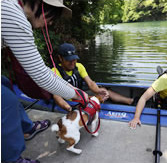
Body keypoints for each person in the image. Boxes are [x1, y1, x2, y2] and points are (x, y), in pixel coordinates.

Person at [1, 1, 88, 163]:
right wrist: (76, 95)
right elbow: (40, 75)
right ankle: (12, 159)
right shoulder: (13, 15)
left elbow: (42, 70)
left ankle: (26, 128)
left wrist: (72, 90)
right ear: (42, 6)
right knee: (6, 101)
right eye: (53, 16)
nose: (51, 23)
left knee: (5, 84)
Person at [51, 43, 134, 111]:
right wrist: (68, 108)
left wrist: (98, 90)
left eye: (74, 59)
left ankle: (130, 101)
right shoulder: (54, 71)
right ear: (60, 58)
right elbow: (56, 96)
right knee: (97, 97)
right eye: (69, 60)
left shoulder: (79, 66)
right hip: (71, 100)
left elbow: (90, 83)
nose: (73, 62)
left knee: (104, 91)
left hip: (82, 95)